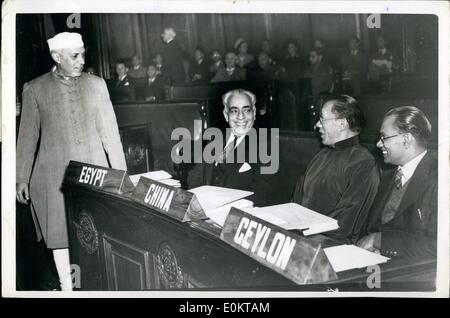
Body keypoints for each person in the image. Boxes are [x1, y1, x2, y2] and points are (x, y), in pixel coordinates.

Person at [16, 32, 127, 290]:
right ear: (56, 56)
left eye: (83, 54)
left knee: (96, 235)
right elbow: (27, 138)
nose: (81, 61)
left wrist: (121, 175)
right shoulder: (34, 88)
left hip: (94, 175)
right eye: (75, 56)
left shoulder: (97, 84)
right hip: (52, 177)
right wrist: (21, 177)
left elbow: (111, 135)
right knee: (60, 238)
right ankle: (68, 290)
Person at [292, 95, 380, 244]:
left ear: (342, 124)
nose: (317, 125)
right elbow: (296, 202)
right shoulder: (320, 156)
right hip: (303, 239)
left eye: (322, 120)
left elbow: (345, 223)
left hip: (330, 246)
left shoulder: (363, 162)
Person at [358, 107, 437, 258]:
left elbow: (439, 245)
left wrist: (380, 240)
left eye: (384, 137)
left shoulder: (439, 180)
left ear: (406, 140)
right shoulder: (387, 172)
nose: (378, 144)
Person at [202, 89, 272, 206]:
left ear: (254, 113)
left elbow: (264, 195)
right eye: (234, 111)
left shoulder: (267, 146)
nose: (241, 117)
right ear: (226, 115)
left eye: (247, 110)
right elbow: (196, 176)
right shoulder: (215, 141)